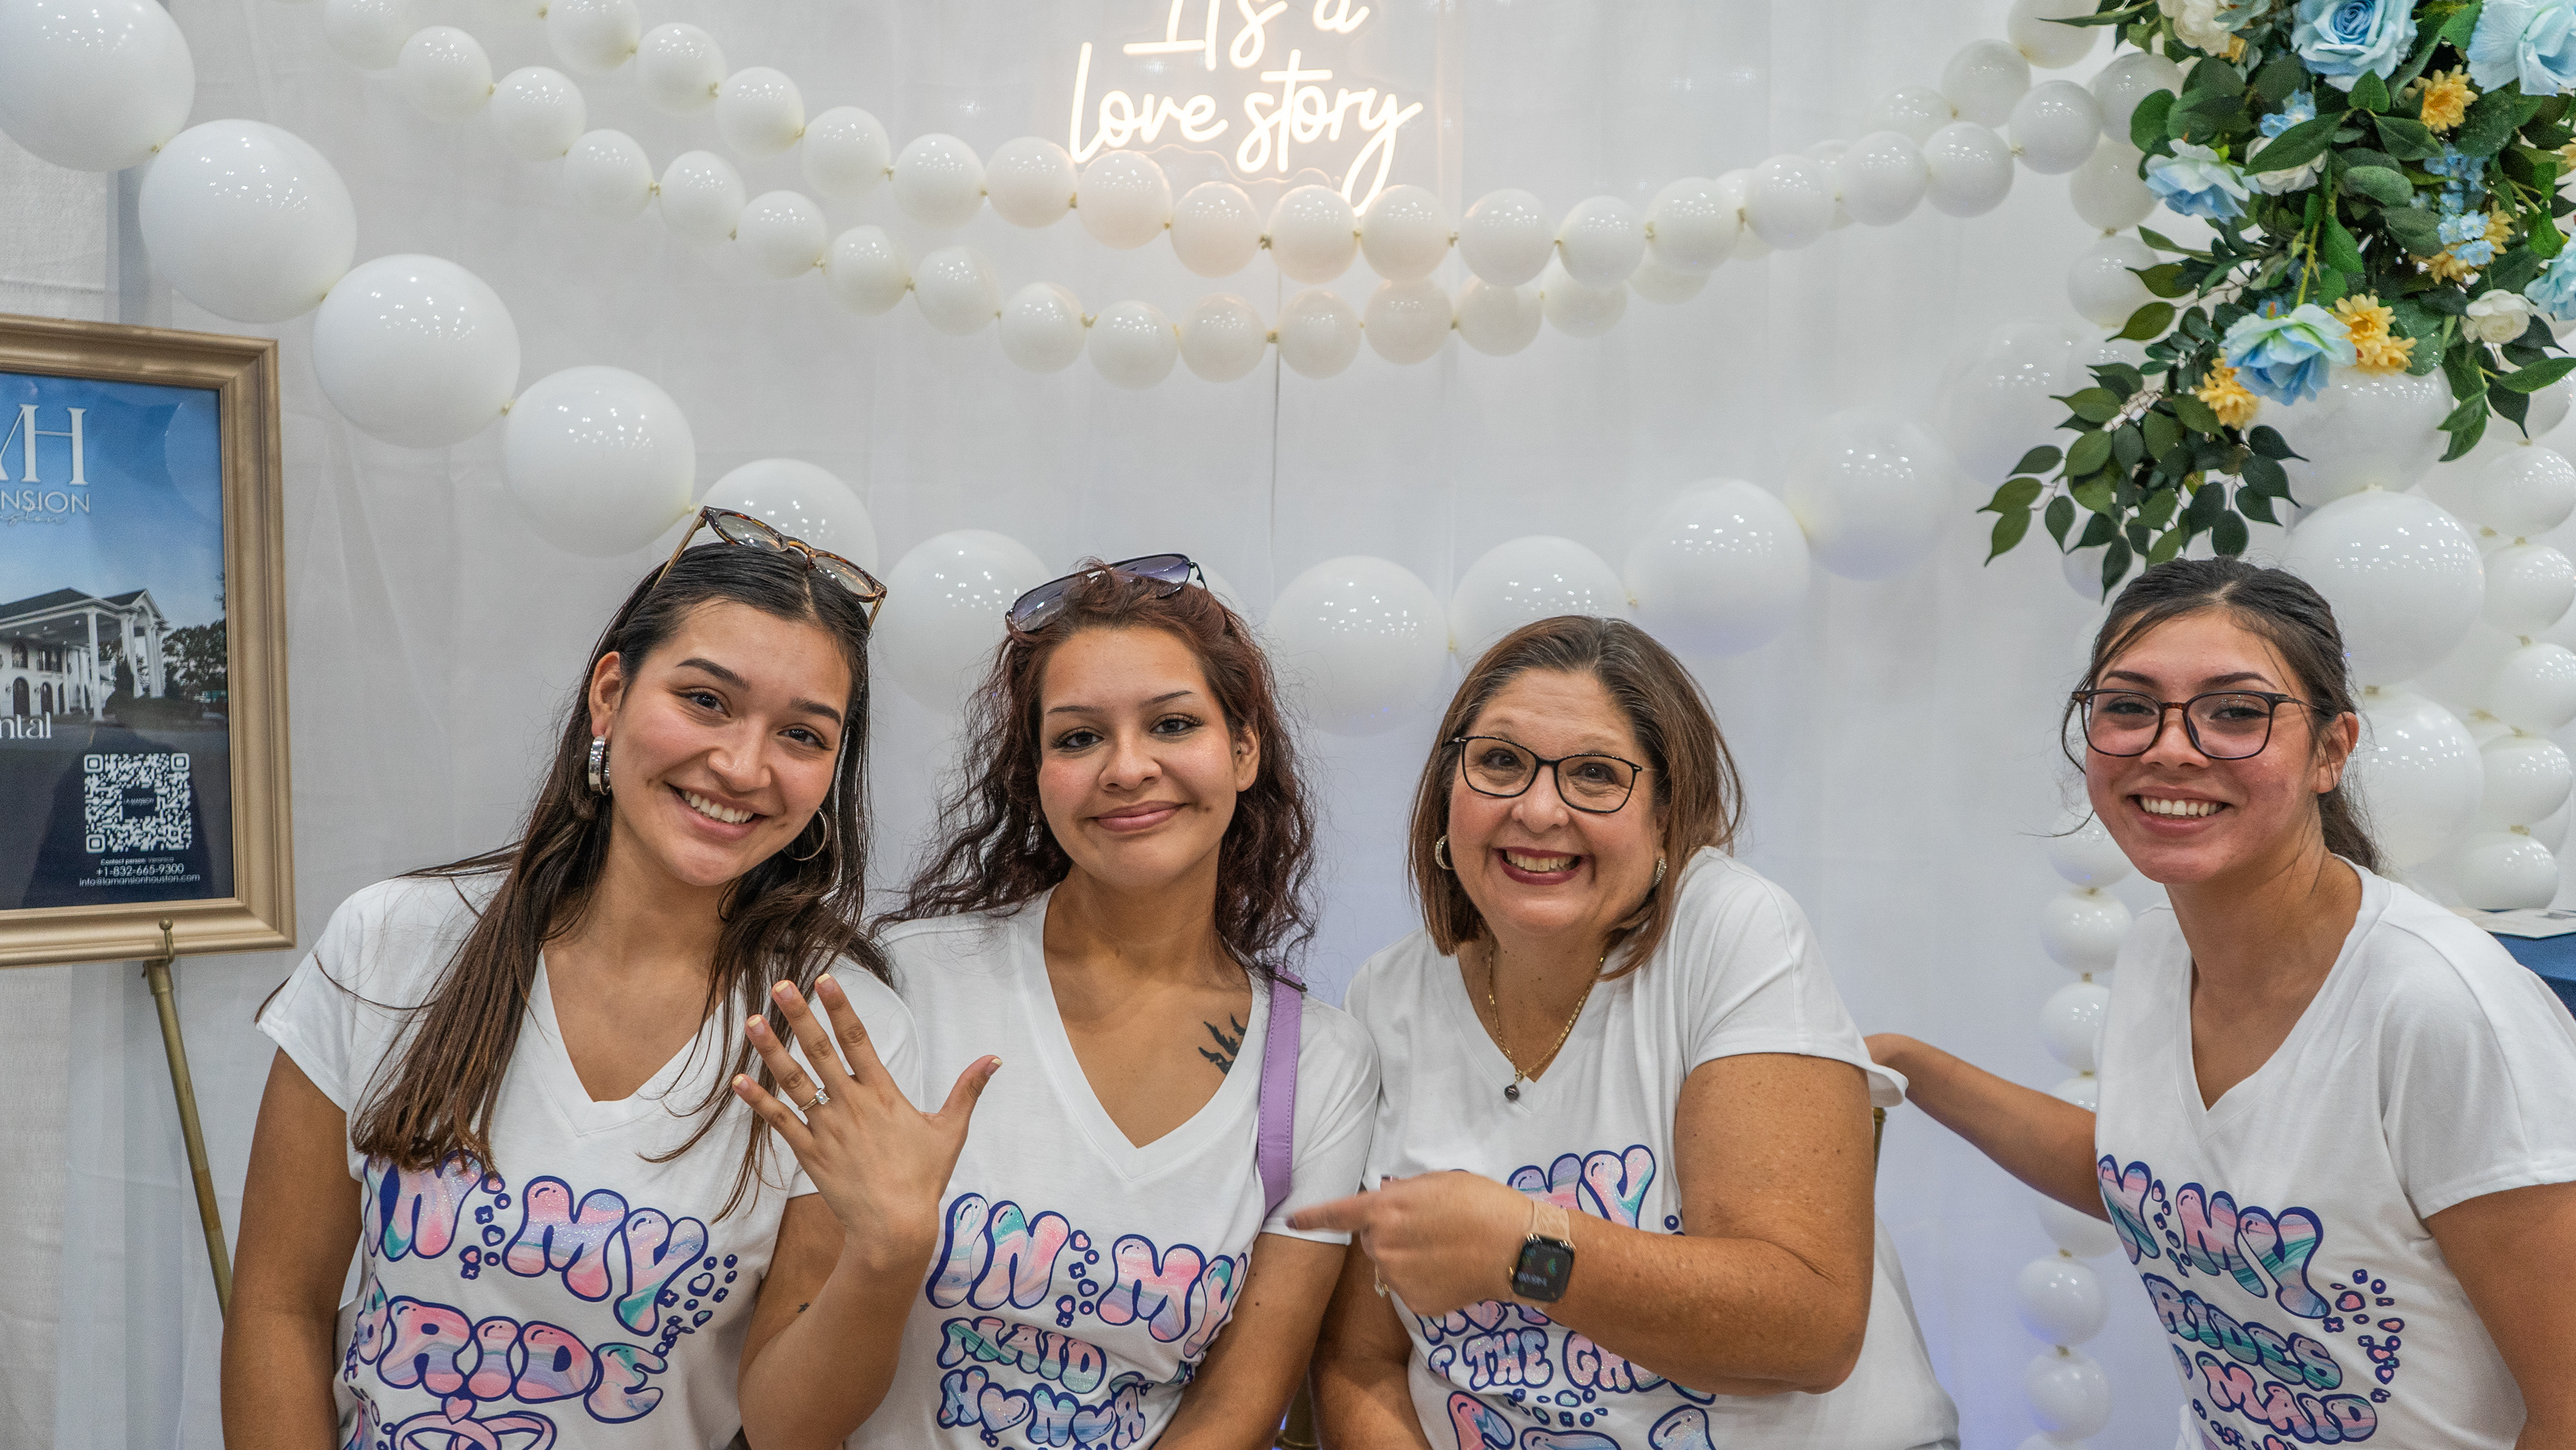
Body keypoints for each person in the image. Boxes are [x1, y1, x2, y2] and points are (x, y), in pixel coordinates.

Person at [224, 511, 992, 1450]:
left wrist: (890, 1250)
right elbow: (280, 1306)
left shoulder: (835, 1028)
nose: (743, 765)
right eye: (706, 700)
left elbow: (788, 1428)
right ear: (611, 694)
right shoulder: (392, 941)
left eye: (801, 734)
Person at [1869, 558, 2576, 1449]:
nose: (2171, 746)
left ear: (2332, 750)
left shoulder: (2437, 1005)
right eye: (2129, 707)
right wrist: (1906, 1063)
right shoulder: (2160, 949)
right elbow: (2167, 1187)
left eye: (2236, 711)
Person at [1299, 614, 1957, 1449]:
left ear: (1666, 818)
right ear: (1445, 790)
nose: (1538, 809)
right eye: (1499, 761)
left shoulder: (1733, 931)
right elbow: (1360, 1359)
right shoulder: (1387, 994)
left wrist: (1523, 1250)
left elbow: (1811, 1330)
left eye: (1595, 774)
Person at [837, 554, 1380, 1447]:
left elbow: (1238, 1407)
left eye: (1173, 724)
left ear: (1244, 750)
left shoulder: (1322, 1064)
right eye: (1079, 737)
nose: (1127, 768)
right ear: (1036, 773)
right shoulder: (907, 982)